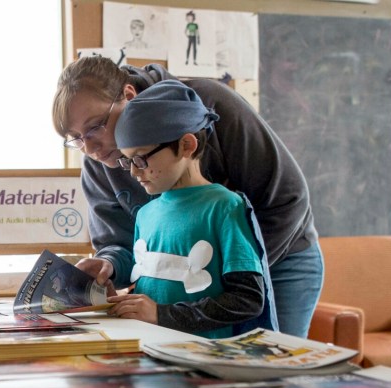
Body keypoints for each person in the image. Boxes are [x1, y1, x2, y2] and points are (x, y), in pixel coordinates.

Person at [51, 56, 324, 338]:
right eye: (75, 138)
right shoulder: (98, 163)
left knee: (267, 360)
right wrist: (109, 264)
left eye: (95, 126)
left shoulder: (209, 105)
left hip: (279, 257)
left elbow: (286, 200)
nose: (90, 149)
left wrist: (224, 280)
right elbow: (123, 244)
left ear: (129, 96)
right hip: (187, 283)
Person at [104, 79, 271, 340]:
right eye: (128, 161)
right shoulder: (146, 215)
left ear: (186, 145)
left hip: (204, 357)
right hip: (150, 352)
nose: (134, 172)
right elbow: (152, 287)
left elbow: (247, 299)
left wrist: (163, 314)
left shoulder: (224, 207)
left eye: (141, 158)